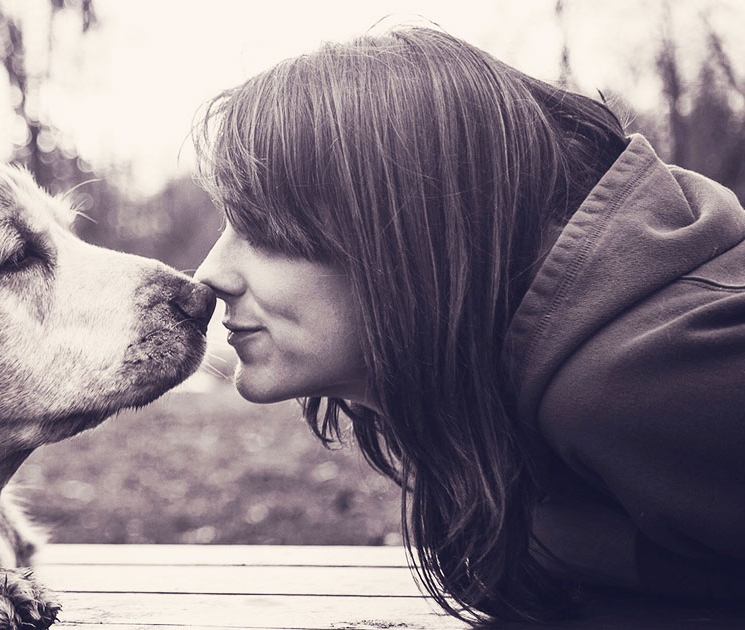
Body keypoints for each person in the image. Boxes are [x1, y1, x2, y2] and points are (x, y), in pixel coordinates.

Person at [192, 26, 745, 623]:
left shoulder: (651, 379)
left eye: (262, 229)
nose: (208, 274)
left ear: (407, 235)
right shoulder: (512, 377)